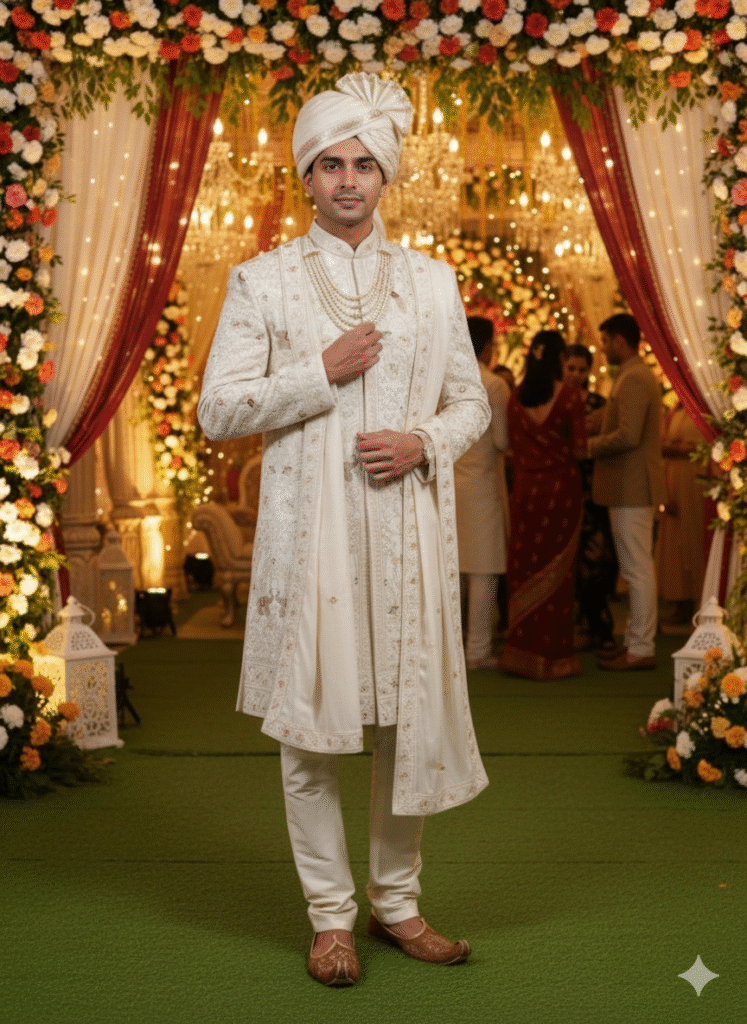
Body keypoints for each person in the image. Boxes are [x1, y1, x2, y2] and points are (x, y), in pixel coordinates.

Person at [197, 73, 491, 988]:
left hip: (404, 533)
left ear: (386, 175)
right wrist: (317, 372)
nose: (350, 180)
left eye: (365, 163)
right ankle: (330, 918)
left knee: (404, 725)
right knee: (311, 733)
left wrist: (422, 442)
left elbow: (470, 402)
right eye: (331, 164)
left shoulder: (433, 283)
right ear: (306, 176)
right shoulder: (262, 282)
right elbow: (217, 410)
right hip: (307, 534)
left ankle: (396, 904)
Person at [499, 330, 586, 680]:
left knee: (525, 567)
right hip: (561, 493)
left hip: (526, 493)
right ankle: (554, 658)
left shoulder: (515, 399)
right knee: (559, 574)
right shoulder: (569, 398)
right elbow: (580, 450)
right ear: (558, 359)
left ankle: (521, 653)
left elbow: (511, 448)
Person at [589, 313, 665, 671]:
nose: (603, 350)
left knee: (637, 569)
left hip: (632, 485)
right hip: (629, 485)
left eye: (605, 342)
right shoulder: (634, 374)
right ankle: (636, 641)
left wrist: (589, 446)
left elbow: (628, 436)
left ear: (620, 341)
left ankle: (641, 647)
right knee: (636, 567)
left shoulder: (634, 377)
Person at [454, 316, 510, 670]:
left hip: (447, 482)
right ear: (487, 345)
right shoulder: (494, 385)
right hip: (482, 483)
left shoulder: (447, 381)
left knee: (454, 570)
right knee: (484, 569)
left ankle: (453, 650)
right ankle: (478, 650)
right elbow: (503, 440)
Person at [564, 344, 618, 652]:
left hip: (594, 492)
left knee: (597, 561)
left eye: (582, 370)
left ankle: (599, 626)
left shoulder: (600, 403)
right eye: (571, 368)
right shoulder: (553, 401)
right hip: (564, 491)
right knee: (567, 563)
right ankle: (572, 628)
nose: (576, 375)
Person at [655, 397, 706, 626]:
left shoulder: (703, 408)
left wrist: (677, 448)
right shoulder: (675, 408)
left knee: (693, 538)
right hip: (673, 478)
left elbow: (708, 446)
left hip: (695, 480)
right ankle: (680, 601)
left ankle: (699, 600)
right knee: (674, 542)